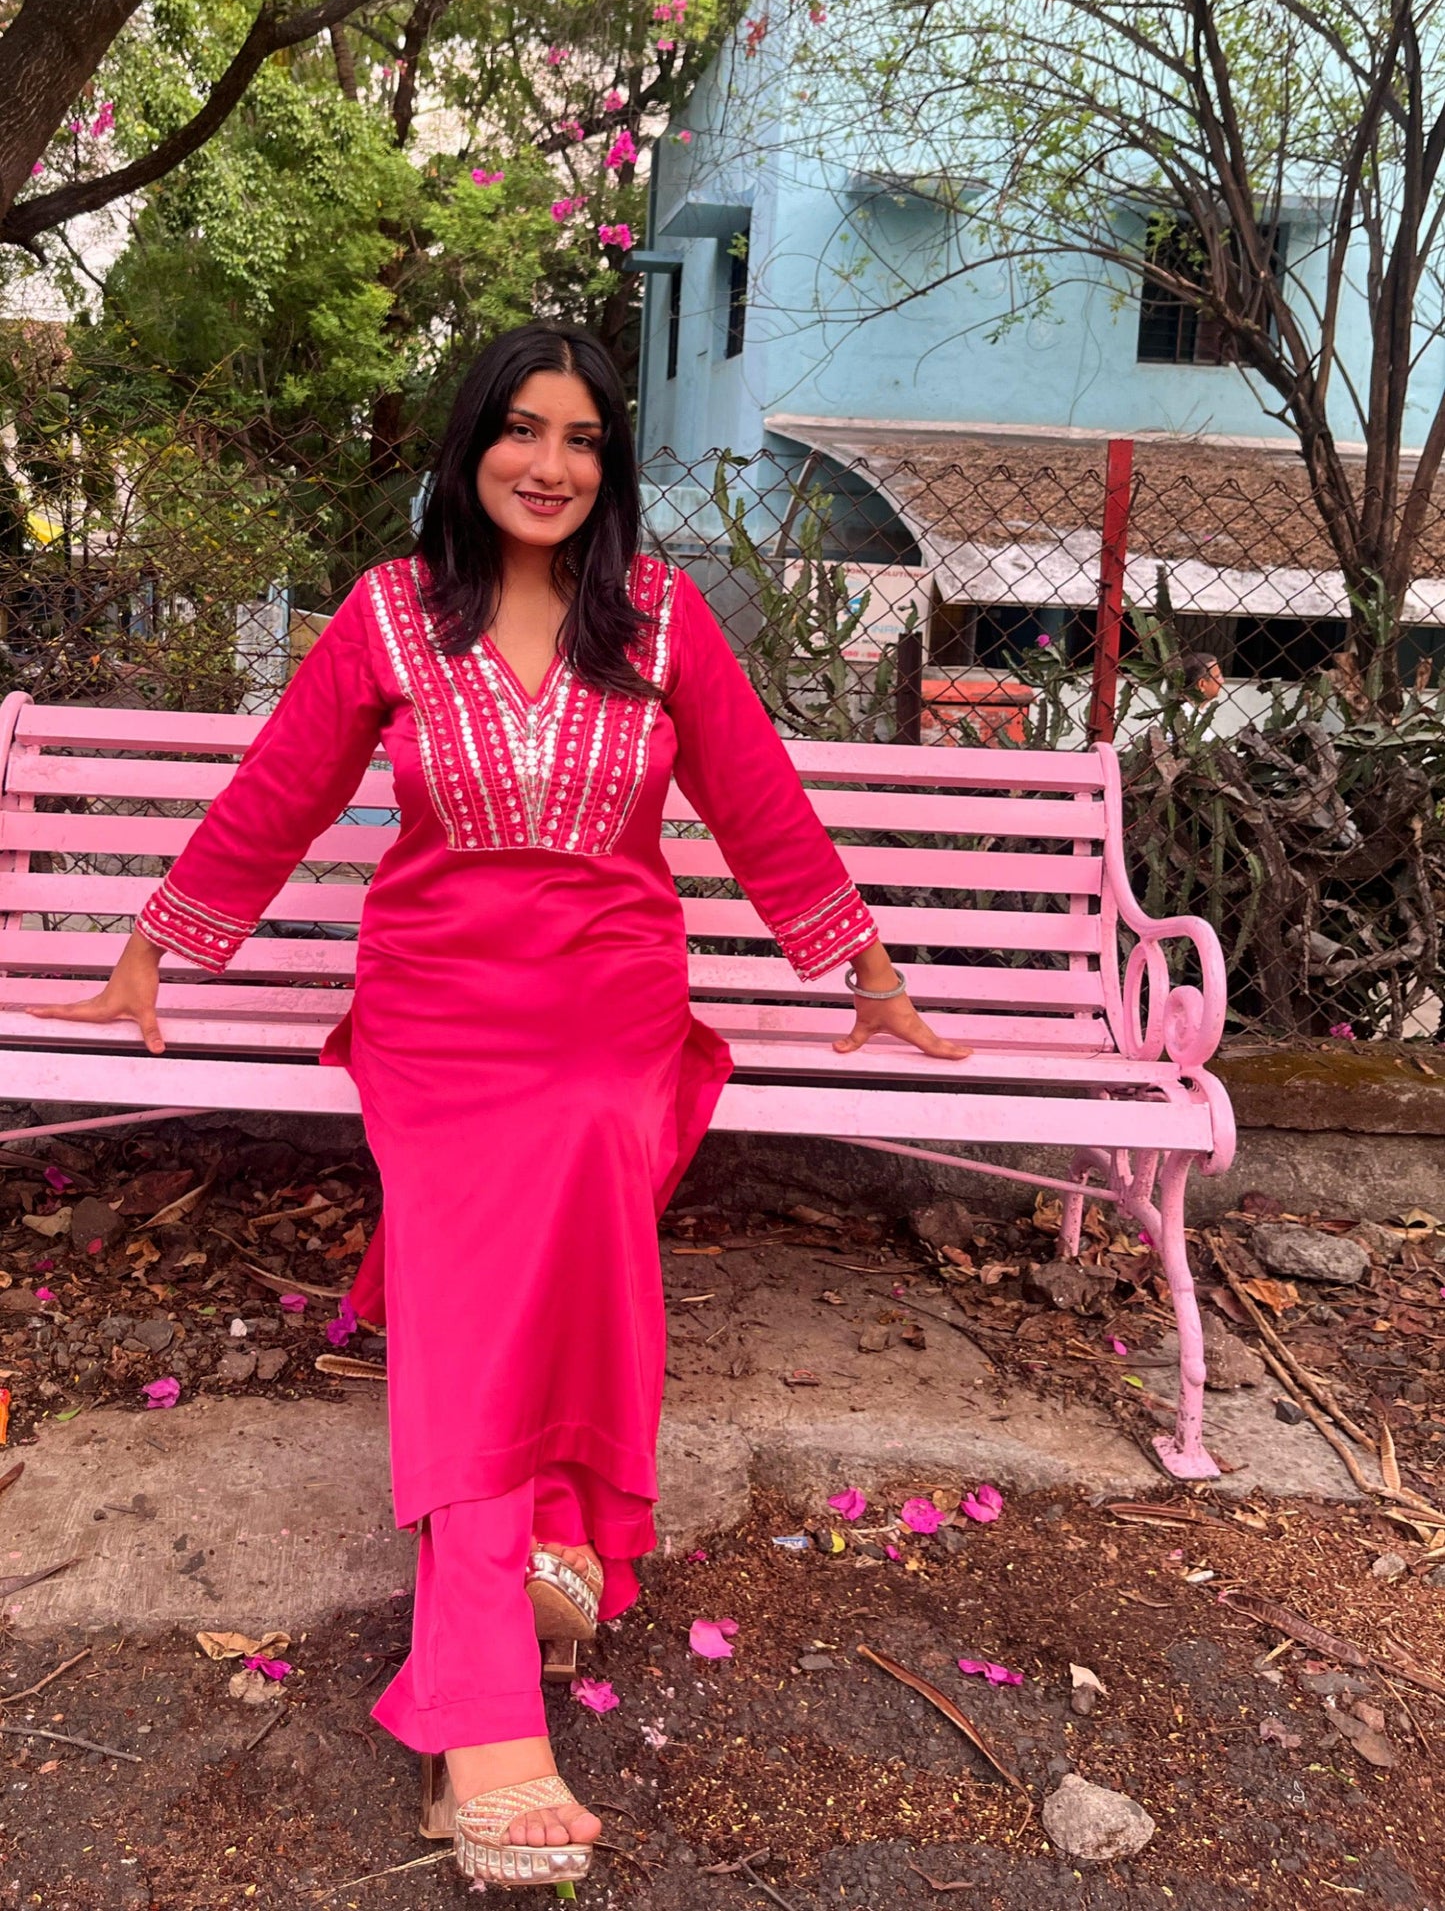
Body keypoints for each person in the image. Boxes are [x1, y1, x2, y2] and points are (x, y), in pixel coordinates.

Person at [33, 325, 965, 1891]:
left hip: (611, 1014)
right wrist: (155, 950)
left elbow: (757, 805)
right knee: (475, 1305)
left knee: (565, 1250)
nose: (550, 463)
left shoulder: (658, 623)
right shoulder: (393, 617)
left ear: (609, 465)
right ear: (469, 451)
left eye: (583, 438)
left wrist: (861, 967)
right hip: (439, 1017)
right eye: (521, 431)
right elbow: (280, 791)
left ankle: (543, 1528)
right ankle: (487, 1717)